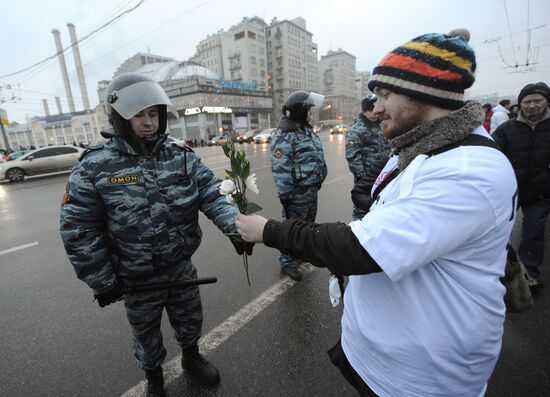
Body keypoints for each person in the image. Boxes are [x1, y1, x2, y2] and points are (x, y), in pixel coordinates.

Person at [236, 29, 517, 396]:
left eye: (385, 94)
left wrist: (269, 230)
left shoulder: (465, 170)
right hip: (384, 356)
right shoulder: (423, 147)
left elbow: (362, 249)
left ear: (423, 91)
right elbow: (380, 193)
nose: (376, 106)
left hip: (420, 378)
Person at [59, 73, 241, 397]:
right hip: (136, 277)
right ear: (119, 118)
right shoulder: (94, 167)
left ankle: (191, 357)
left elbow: (211, 194)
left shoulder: (181, 155)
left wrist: (236, 228)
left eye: (153, 113)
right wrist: (102, 280)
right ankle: (154, 377)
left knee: (189, 320)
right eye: (139, 114)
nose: (148, 122)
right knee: (146, 334)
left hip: (180, 267)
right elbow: (79, 229)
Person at [493, 82, 550, 292]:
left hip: (542, 193)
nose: (532, 105)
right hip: (510, 192)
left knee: (533, 231)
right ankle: (498, 271)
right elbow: (490, 152)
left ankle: (530, 275)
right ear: (520, 103)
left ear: (546, 101)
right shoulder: (507, 129)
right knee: (498, 231)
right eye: (527, 101)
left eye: (538, 100)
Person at [270, 90, 327, 281]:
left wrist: (320, 177)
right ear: (299, 112)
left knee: (307, 226)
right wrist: (285, 194)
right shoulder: (285, 134)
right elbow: (280, 166)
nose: (311, 114)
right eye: (309, 111)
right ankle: (286, 262)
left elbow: (316, 156)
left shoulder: (305, 130)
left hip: (311, 190)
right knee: (291, 228)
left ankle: (300, 254)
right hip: (296, 193)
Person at [345, 95, 389, 220]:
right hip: (366, 178)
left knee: (379, 208)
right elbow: (352, 157)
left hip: (382, 175)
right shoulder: (356, 130)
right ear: (365, 111)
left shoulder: (379, 126)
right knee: (362, 211)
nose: (375, 113)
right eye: (371, 110)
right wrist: (363, 177)